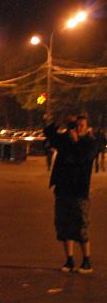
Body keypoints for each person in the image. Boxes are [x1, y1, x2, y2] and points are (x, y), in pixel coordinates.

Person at [45, 115, 99, 273]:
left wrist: (75, 140)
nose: (79, 128)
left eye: (82, 125)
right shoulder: (65, 140)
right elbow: (48, 133)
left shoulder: (90, 142)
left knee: (81, 226)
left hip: (79, 191)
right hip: (62, 190)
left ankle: (86, 260)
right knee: (64, 226)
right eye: (76, 125)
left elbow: (84, 157)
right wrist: (61, 121)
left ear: (87, 126)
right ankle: (69, 260)